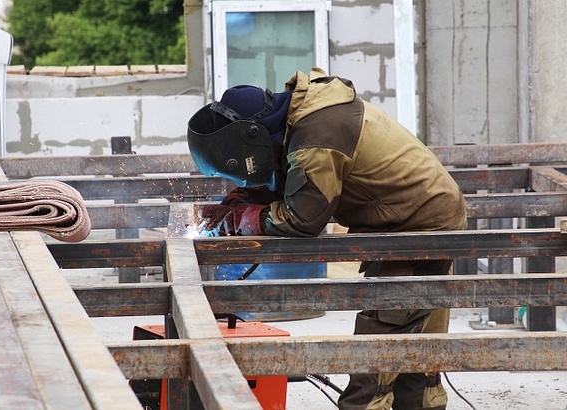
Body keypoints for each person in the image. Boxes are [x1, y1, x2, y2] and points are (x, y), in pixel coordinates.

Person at [186, 67, 467, 410]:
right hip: (412, 216)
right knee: (414, 352)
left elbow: (302, 218)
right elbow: (291, 168)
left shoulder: (317, 137)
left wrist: (242, 219)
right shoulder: (298, 115)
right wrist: (251, 195)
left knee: (380, 349)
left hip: (420, 226)